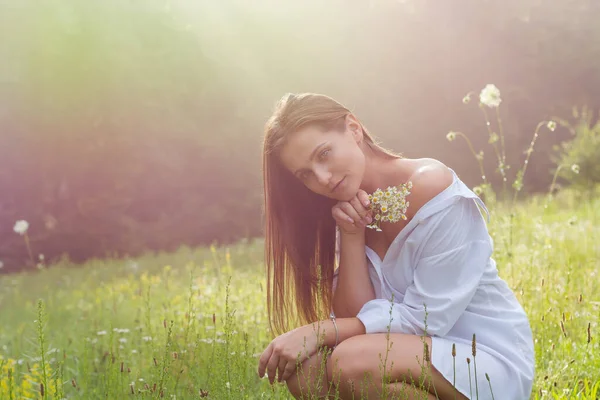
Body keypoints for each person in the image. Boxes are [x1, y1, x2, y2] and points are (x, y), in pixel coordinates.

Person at [257, 93, 534, 399]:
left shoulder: (430, 186)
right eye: (305, 174)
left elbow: (424, 320)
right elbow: (356, 317)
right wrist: (352, 235)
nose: (322, 178)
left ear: (353, 128)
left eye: (323, 154)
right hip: (408, 355)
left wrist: (318, 330)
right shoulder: (345, 209)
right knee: (306, 372)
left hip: (483, 358)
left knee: (352, 361)